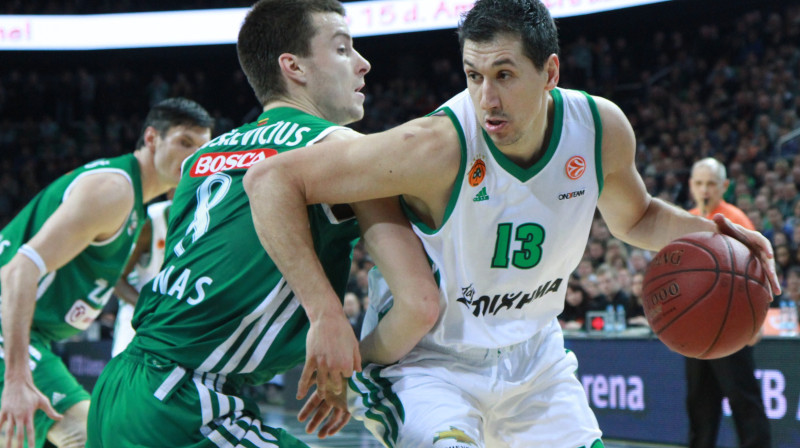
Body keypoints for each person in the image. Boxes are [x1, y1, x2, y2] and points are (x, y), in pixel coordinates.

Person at [245, 1, 780, 446]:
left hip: (537, 361)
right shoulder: (435, 145)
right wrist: (325, 315)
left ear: (549, 72)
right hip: (432, 363)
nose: (487, 100)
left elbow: (637, 217)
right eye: (474, 76)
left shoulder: (598, 128)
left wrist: (714, 234)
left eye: (504, 75)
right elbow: (269, 181)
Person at [86, 1, 438, 446]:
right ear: (294, 67)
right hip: (182, 404)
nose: (364, 63)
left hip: (124, 385)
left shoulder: (200, 161)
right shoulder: (338, 145)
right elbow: (420, 305)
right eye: (344, 49)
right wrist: (347, 364)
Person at [0, 97, 212, 448]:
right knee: (90, 437)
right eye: (184, 142)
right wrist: (17, 377)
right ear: (151, 139)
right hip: (10, 330)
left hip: (33, 334)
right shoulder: (115, 190)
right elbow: (18, 270)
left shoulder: (133, 203)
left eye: (203, 149)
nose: (194, 157)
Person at [685, 157, 773, 448]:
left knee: (742, 398)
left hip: (731, 324)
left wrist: (757, 321)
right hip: (697, 328)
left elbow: (757, 275)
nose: (704, 190)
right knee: (700, 402)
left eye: (710, 183)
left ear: (724, 185)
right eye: (699, 183)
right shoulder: (686, 219)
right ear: (691, 186)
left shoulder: (736, 220)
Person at [111, 195, 172, 357]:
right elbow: (116, 279)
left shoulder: (204, 221)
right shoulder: (151, 222)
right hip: (138, 311)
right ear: (170, 191)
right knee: (124, 377)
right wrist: (149, 311)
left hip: (174, 316)